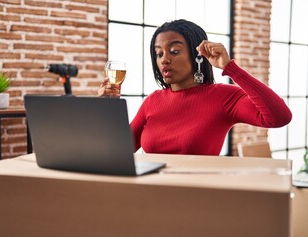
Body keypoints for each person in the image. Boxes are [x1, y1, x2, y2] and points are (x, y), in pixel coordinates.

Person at [98, 19, 292, 155]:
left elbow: (279, 117)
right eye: (158, 54)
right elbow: (120, 149)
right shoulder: (153, 101)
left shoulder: (224, 97)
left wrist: (230, 68)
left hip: (198, 201)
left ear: (197, 54)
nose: (164, 59)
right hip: (150, 198)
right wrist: (108, 109)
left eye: (174, 51)